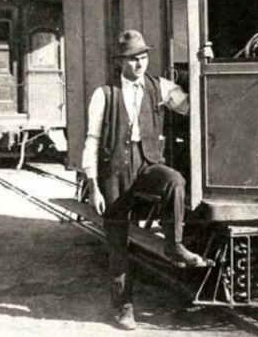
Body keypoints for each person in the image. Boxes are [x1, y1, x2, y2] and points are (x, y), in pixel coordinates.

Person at [81, 29, 207, 331]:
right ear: (120, 62)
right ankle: (123, 308)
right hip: (114, 173)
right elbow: (92, 141)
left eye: (143, 57)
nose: (140, 64)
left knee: (174, 180)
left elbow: (188, 105)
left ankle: (174, 245)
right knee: (117, 245)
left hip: (147, 164)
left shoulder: (158, 86)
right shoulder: (104, 94)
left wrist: (202, 66)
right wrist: (94, 186)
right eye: (133, 59)